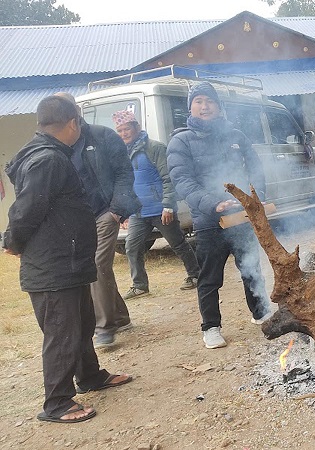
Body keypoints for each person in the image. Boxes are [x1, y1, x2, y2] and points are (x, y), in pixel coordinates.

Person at [3, 95, 133, 424]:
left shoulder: (51, 154)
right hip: (53, 265)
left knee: (82, 324)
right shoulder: (47, 159)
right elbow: (25, 210)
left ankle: (89, 376)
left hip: (70, 260)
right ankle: (57, 403)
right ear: (73, 122)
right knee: (61, 333)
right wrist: (12, 242)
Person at [167, 82, 272, 349]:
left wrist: (253, 197)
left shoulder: (236, 135)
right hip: (208, 220)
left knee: (251, 269)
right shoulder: (181, 141)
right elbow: (183, 181)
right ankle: (211, 327)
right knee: (210, 277)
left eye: (209, 101)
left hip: (242, 217)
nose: (205, 106)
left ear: (218, 105)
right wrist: (214, 204)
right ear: (190, 107)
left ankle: (261, 313)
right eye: (198, 101)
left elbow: (256, 169)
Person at [55, 92, 141, 349]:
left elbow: (125, 173)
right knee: (95, 267)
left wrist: (116, 209)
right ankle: (121, 316)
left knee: (96, 264)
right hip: (77, 219)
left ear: (77, 110)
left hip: (105, 212)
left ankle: (104, 327)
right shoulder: (57, 143)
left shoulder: (103, 136)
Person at [112, 110, 200, 299]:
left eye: (126, 129)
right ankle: (140, 286)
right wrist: (124, 211)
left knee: (177, 243)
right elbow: (124, 184)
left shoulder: (155, 148)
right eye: (119, 131)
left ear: (136, 127)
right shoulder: (121, 154)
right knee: (132, 247)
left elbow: (168, 177)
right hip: (138, 211)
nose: (123, 134)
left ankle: (195, 275)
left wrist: (168, 206)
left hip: (161, 209)